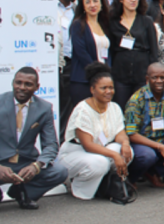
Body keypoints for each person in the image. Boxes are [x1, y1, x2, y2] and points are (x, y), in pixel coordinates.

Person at [0, 68, 69, 214]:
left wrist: (36, 166)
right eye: (18, 83)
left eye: (28, 84)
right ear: (13, 83)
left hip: (26, 164)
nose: (22, 87)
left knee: (60, 172)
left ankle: (22, 193)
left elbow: (51, 145)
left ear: (37, 87)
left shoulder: (44, 108)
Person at [57, 63, 133, 200]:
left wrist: (126, 144)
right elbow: (88, 145)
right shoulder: (83, 110)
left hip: (98, 151)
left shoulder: (114, 107)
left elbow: (120, 134)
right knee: (100, 163)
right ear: (92, 89)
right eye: (103, 88)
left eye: (111, 87)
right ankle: (81, 190)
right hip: (75, 153)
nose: (108, 91)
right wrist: (115, 156)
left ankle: (106, 183)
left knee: (125, 151)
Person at [66, 0, 111, 135]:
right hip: (83, 79)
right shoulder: (78, 24)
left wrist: (106, 73)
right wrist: (97, 73)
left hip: (102, 79)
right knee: (83, 117)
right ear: (82, 6)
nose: (92, 5)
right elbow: (81, 52)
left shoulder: (104, 24)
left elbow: (108, 51)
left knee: (100, 117)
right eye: (88, 2)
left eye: (95, 1)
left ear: (102, 4)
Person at [109, 0, 159, 108]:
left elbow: (154, 50)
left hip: (141, 72)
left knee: (141, 109)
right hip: (120, 72)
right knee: (120, 107)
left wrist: (152, 75)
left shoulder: (146, 20)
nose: (133, 0)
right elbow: (110, 49)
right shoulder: (113, 21)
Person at [58, 0, 79, 126]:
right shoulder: (48, 6)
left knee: (68, 102)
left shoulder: (77, 10)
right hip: (54, 62)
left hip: (73, 63)